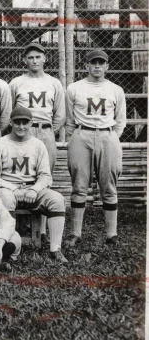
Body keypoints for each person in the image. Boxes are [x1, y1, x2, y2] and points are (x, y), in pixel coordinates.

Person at [64, 49, 126, 251]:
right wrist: (79, 136)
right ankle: (75, 233)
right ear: (86, 66)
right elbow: (69, 120)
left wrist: (111, 137)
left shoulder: (116, 89)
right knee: (79, 186)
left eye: (101, 63)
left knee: (108, 187)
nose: (97, 66)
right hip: (82, 134)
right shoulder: (74, 88)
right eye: (93, 63)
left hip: (108, 136)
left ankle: (112, 234)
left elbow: (120, 120)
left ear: (107, 66)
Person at [0, 106, 67, 262]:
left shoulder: (38, 145)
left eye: (25, 122)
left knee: (57, 199)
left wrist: (35, 189)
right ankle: (9, 244)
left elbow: (45, 175)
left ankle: (55, 249)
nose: (21, 126)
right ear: (10, 122)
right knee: (4, 198)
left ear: (31, 123)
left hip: (32, 188)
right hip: (8, 187)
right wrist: (13, 188)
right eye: (17, 122)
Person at [9, 42, 65, 170]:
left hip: (45, 131)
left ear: (44, 58)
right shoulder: (16, 83)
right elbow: (9, 111)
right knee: (22, 170)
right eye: (30, 57)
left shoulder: (54, 83)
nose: (34, 61)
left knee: (45, 171)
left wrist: (48, 130)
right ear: (24, 60)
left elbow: (60, 114)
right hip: (22, 131)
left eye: (38, 57)